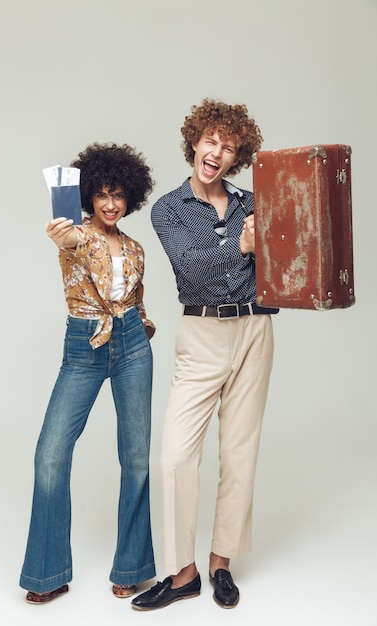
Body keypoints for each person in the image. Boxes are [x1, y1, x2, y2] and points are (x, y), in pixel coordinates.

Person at [131, 99, 279, 611]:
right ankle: (182, 573)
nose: (216, 153)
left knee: (239, 454)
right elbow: (192, 273)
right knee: (175, 456)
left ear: (236, 157)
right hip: (201, 333)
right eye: (210, 141)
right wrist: (240, 247)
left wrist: (253, 255)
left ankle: (221, 563)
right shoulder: (168, 209)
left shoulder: (253, 201)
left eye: (228, 147)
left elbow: (273, 269)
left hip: (255, 329)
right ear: (194, 142)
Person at [20, 142, 156, 603]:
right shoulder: (77, 235)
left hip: (133, 345)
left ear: (130, 197)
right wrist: (61, 234)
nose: (111, 204)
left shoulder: (136, 247)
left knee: (136, 457)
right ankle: (47, 573)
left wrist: (140, 329)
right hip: (84, 347)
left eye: (118, 195)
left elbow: (136, 302)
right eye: (101, 194)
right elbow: (69, 241)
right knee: (51, 454)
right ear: (88, 198)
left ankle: (133, 566)